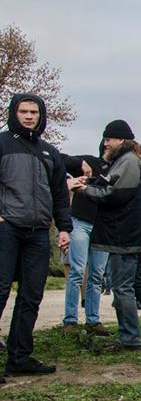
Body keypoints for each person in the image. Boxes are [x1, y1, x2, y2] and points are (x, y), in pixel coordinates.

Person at [73, 119, 141, 350]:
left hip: (125, 234)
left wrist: (84, 190)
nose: (105, 143)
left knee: (122, 287)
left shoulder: (128, 161)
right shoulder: (127, 160)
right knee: (138, 282)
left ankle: (129, 337)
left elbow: (115, 195)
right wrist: (91, 183)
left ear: (121, 139)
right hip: (133, 232)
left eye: (108, 139)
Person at [0, 94, 72, 379]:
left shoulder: (49, 152)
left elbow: (59, 194)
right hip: (7, 228)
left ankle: (19, 357)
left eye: (34, 112)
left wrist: (64, 227)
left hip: (39, 231)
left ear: (41, 115)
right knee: (1, 290)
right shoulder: (2, 143)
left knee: (31, 295)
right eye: (23, 111)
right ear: (13, 113)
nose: (29, 116)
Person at [60, 143, 111, 336]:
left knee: (97, 275)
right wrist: (79, 162)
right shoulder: (90, 162)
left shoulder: (120, 169)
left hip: (103, 226)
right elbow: (60, 160)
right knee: (77, 271)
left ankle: (93, 320)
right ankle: (70, 321)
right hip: (81, 221)